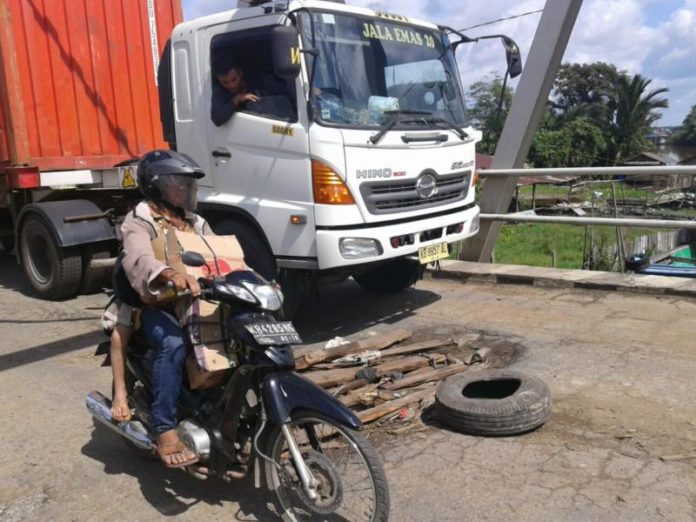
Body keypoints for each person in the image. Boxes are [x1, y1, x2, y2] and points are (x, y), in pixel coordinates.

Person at [120, 149, 214, 468]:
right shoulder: (140, 219)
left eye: (188, 184)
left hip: (194, 300)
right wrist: (169, 273)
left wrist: (257, 280)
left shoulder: (195, 222)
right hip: (152, 304)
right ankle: (165, 429)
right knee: (172, 343)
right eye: (178, 183)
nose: (186, 190)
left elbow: (221, 253)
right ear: (157, 186)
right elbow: (139, 258)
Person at [211, 56, 259, 127]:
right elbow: (217, 119)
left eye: (234, 79)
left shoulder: (255, 81)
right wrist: (236, 99)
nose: (231, 85)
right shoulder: (220, 91)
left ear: (240, 72)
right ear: (219, 80)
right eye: (225, 82)